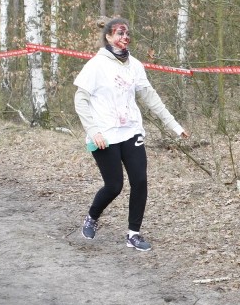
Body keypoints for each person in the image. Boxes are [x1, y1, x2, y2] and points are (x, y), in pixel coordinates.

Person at [74, 17, 190, 251]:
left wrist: (174, 125)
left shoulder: (135, 65)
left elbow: (151, 97)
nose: (124, 38)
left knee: (140, 181)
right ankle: (92, 217)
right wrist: (93, 130)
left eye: (127, 35)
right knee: (114, 185)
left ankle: (133, 234)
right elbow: (80, 99)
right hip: (104, 135)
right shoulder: (96, 65)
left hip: (131, 131)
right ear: (108, 36)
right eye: (119, 33)